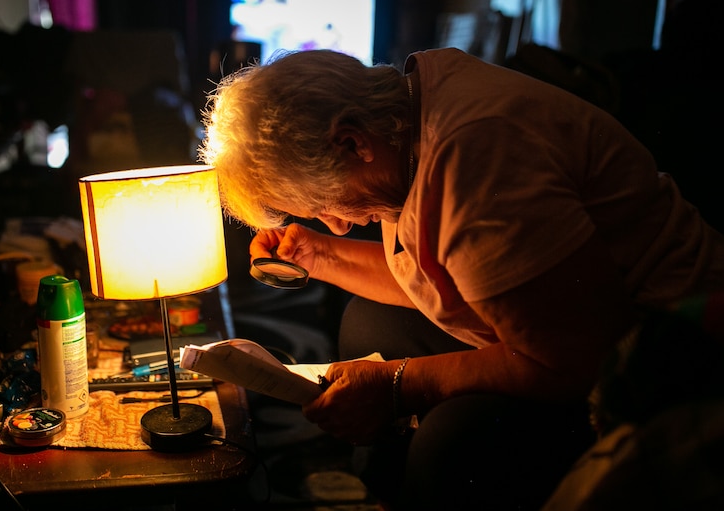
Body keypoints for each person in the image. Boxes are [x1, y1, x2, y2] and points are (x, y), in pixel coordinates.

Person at [198, 47, 724, 510]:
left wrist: (400, 385)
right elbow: (445, 268)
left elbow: (578, 358)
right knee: (370, 325)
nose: (334, 221)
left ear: (353, 143)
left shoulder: (477, 159)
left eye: (323, 204)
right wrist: (322, 254)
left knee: (452, 441)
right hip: (566, 323)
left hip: (661, 352)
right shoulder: (412, 110)